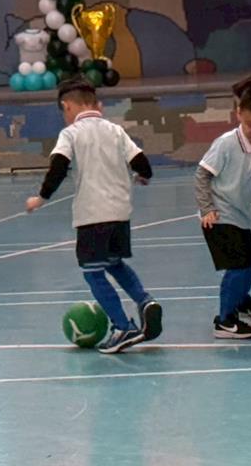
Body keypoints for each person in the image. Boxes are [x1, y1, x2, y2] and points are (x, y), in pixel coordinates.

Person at [26, 78, 162, 354]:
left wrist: (41, 198)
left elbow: (58, 167)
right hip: (120, 213)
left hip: (92, 215)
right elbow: (142, 163)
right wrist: (143, 176)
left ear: (67, 106)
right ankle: (145, 301)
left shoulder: (71, 134)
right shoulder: (116, 130)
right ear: (96, 104)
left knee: (93, 273)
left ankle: (122, 327)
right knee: (115, 263)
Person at [196, 74, 251, 339]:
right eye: (250, 124)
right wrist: (207, 209)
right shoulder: (226, 143)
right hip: (219, 215)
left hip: (241, 216)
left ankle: (243, 302)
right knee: (241, 267)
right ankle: (225, 321)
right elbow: (202, 175)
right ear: (238, 113)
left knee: (248, 261)